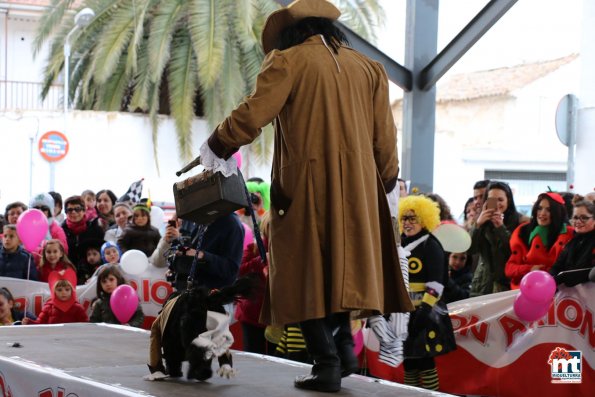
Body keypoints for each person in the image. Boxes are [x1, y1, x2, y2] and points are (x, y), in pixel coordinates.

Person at [200, 0, 412, 391]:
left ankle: (327, 362)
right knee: (345, 271)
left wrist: (219, 143)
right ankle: (344, 349)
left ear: (290, 34)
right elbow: (386, 138)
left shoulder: (288, 61)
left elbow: (255, 111)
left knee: (302, 273)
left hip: (306, 188)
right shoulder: (370, 69)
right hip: (360, 190)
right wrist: (383, 178)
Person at [398, 195, 456, 391]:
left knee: (425, 363)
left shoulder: (431, 245)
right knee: (408, 361)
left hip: (426, 312)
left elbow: (437, 282)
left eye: (412, 218)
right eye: (404, 218)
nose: (407, 223)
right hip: (403, 312)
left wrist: (424, 310)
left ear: (424, 220)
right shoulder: (401, 244)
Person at [469, 181, 527, 296]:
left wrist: (501, 228)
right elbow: (471, 250)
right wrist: (478, 225)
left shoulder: (520, 222)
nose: (496, 204)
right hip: (482, 285)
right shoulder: (480, 221)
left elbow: (515, 253)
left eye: (500, 200)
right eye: (492, 200)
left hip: (507, 286)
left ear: (508, 200)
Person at [505, 192, 574, 289]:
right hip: (526, 290)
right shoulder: (523, 232)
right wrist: (530, 269)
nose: (542, 213)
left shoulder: (569, 234)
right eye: (539, 208)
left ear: (557, 212)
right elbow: (509, 269)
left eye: (549, 210)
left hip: (560, 293)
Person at [235, 211, 274, 354]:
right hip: (252, 314)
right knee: (253, 354)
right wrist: (259, 261)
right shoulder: (254, 248)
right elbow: (238, 271)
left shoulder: (289, 250)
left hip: (276, 315)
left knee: (276, 358)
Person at [550, 200, 595, 286]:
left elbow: (588, 272)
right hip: (569, 295)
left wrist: (560, 278)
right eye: (575, 217)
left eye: (584, 217)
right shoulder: (572, 240)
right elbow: (557, 266)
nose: (578, 221)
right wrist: (550, 279)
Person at [22, 269, 88, 324]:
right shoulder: (48, 307)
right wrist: (29, 322)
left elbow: (86, 326)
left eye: (67, 289)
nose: (63, 292)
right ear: (54, 292)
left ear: (72, 291)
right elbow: (40, 324)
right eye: (59, 290)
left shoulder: (78, 308)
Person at [61, 195, 105, 270]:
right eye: (69, 210)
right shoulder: (61, 231)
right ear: (66, 212)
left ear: (84, 210)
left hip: (91, 272)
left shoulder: (95, 228)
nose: (73, 212)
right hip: (67, 271)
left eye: (77, 209)